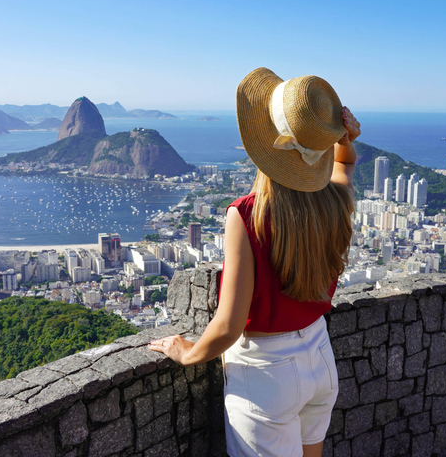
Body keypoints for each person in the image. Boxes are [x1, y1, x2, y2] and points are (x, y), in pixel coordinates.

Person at [148, 68, 360, 457]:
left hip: (266, 376)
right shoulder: (335, 202)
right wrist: (345, 142)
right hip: (319, 354)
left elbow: (229, 325)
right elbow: (344, 169)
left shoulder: (246, 215)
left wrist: (188, 353)